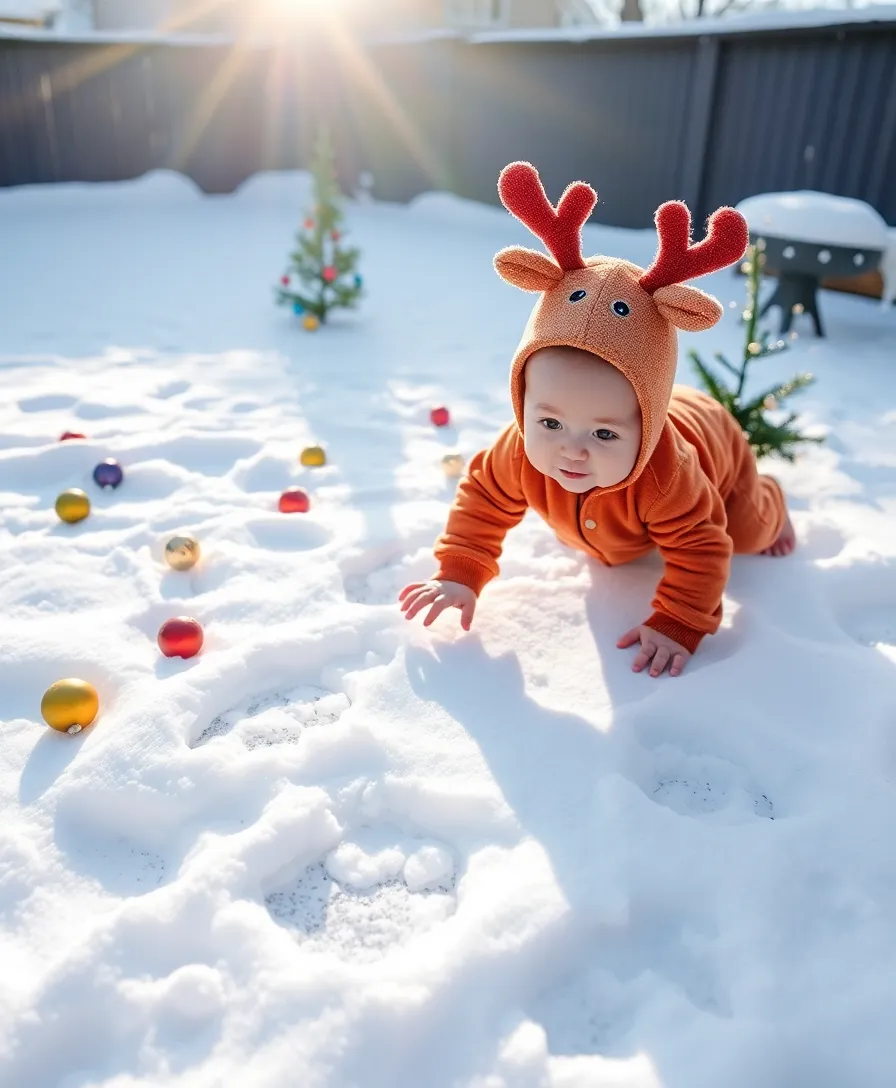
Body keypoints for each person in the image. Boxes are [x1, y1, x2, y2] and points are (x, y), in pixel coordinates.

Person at [399, 162, 794, 678]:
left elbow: (701, 548)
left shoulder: (667, 476)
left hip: (717, 446)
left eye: (605, 433)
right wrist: (460, 571)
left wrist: (679, 619)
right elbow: (483, 500)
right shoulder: (518, 450)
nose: (572, 450)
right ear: (524, 401)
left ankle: (773, 501)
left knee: (744, 531)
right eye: (550, 423)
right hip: (620, 507)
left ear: (646, 424)